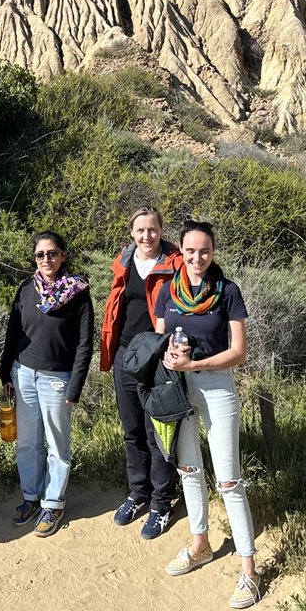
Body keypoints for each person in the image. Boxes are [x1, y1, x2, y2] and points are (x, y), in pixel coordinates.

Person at [153, 220, 261, 609]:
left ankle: (249, 570)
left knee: (229, 481)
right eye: (190, 251)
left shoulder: (227, 291)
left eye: (205, 251)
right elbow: (162, 335)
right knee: (188, 469)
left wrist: (198, 364)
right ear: (179, 251)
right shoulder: (168, 290)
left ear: (214, 252)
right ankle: (200, 544)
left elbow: (239, 353)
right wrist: (171, 356)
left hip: (216, 387)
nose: (197, 258)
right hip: (179, 388)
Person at [0, 230, 94, 538]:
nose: (46, 260)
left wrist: (75, 386)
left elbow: (84, 344)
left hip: (57, 379)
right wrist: (5, 373)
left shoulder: (77, 293)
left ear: (62, 256)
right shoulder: (27, 290)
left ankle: (53, 503)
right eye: (40, 255)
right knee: (27, 443)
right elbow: (14, 332)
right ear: (34, 258)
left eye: (52, 253)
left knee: (56, 445)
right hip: (23, 374)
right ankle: (31, 496)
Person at [100, 206, 183, 539]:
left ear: (162, 230)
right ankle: (138, 493)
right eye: (140, 230)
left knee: (157, 433)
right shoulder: (124, 260)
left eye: (152, 229)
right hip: (125, 355)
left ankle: (162, 501)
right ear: (131, 233)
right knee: (132, 429)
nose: (147, 236)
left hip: (157, 358)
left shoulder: (175, 263)